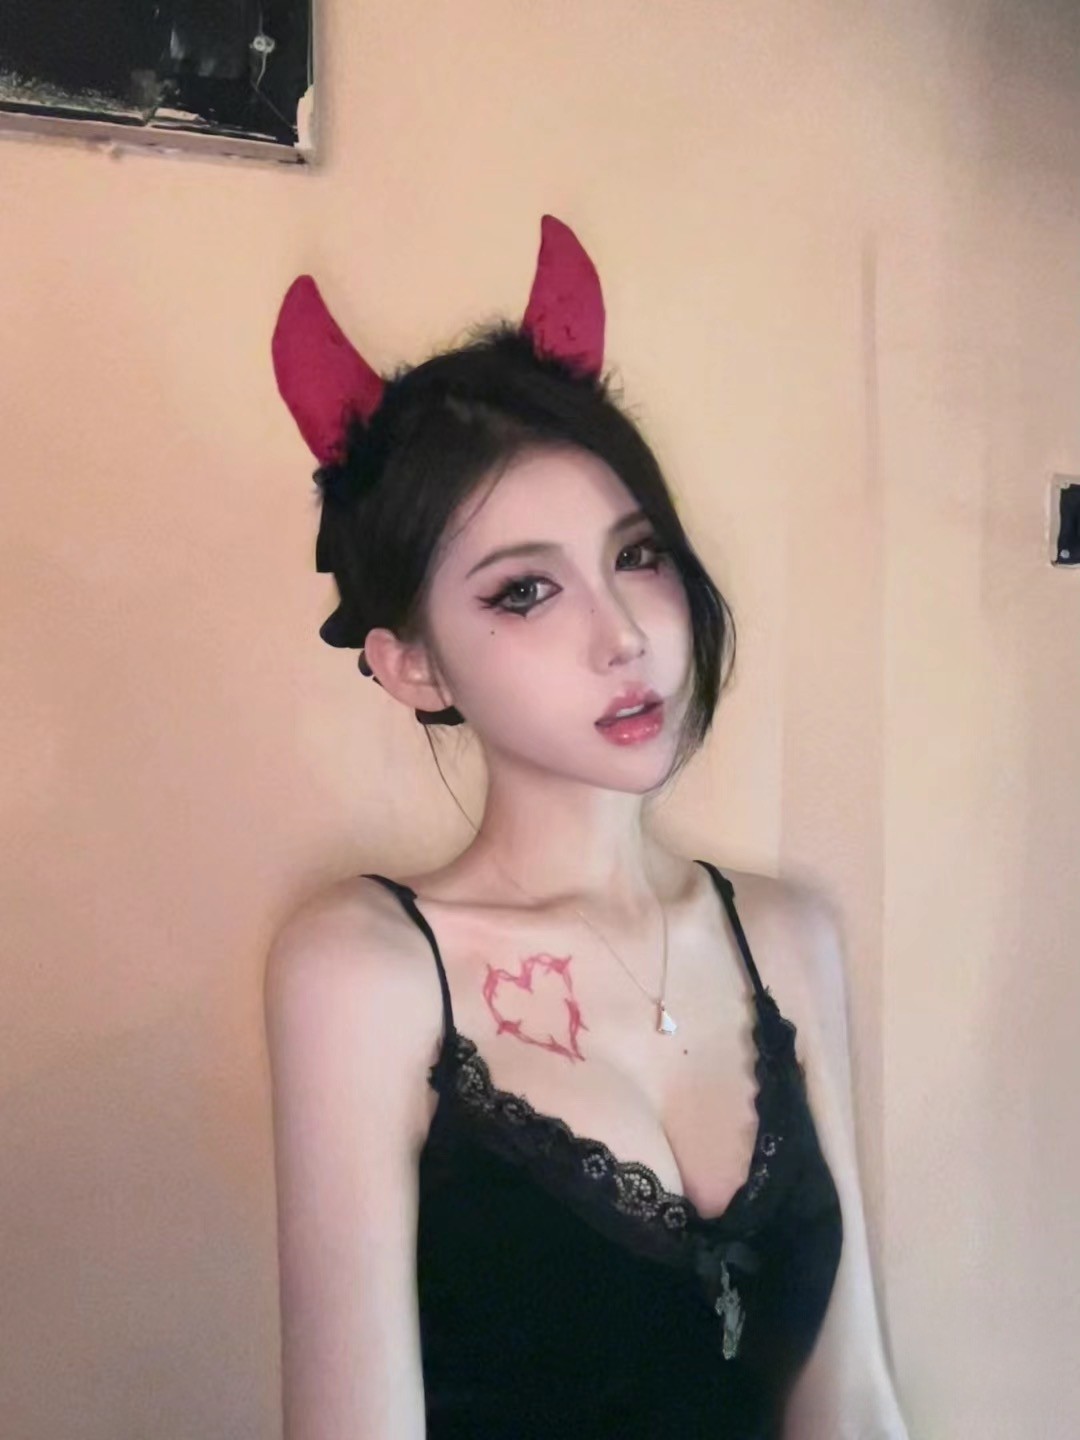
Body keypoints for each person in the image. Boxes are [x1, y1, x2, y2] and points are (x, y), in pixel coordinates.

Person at [263, 216, 908, 1439]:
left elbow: (853, 1401)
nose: (624, 636)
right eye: (525, 591)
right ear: (412, 667)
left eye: (638, 554)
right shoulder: (365, 970)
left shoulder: (789, 935)